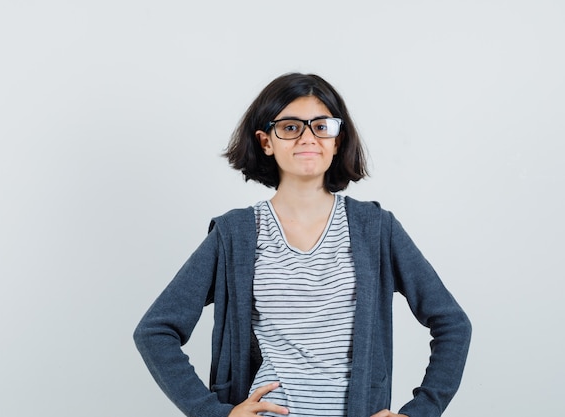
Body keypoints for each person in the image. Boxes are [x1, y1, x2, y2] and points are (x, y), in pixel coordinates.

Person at [133, 73, 471, 417]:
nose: (308, 138)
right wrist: (213, 412)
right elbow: (155, 331)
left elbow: (452, 324)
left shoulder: (377, 229)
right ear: (266, 142)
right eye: (291, 127)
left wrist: (421, 411)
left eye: (321, 126)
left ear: (337, 140)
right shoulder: (235, 234)